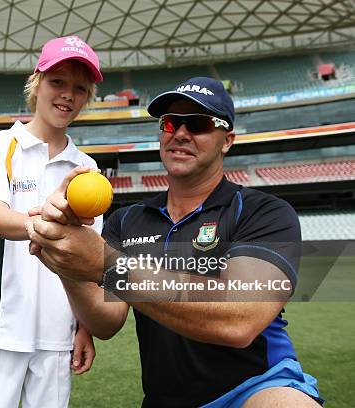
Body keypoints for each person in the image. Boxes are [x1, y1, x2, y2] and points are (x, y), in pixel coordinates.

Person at [25, 77, 324, 407]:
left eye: (197, 124)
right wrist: (64, 258)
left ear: (227, 140)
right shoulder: (128, 220)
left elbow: (239, 319)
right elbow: (104, 322)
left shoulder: (263, 211)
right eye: (170, 122)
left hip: (256, 387)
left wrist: (108, 264)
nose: (180, 133)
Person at [0, 35, 103, 408]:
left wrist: (84, 327)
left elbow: (90, 261)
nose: (67, 95)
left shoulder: (87, 170)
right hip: (0, 329)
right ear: (37, 83)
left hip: (58, 336)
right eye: (58, 82)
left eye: (79, 88)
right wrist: (40, 224)